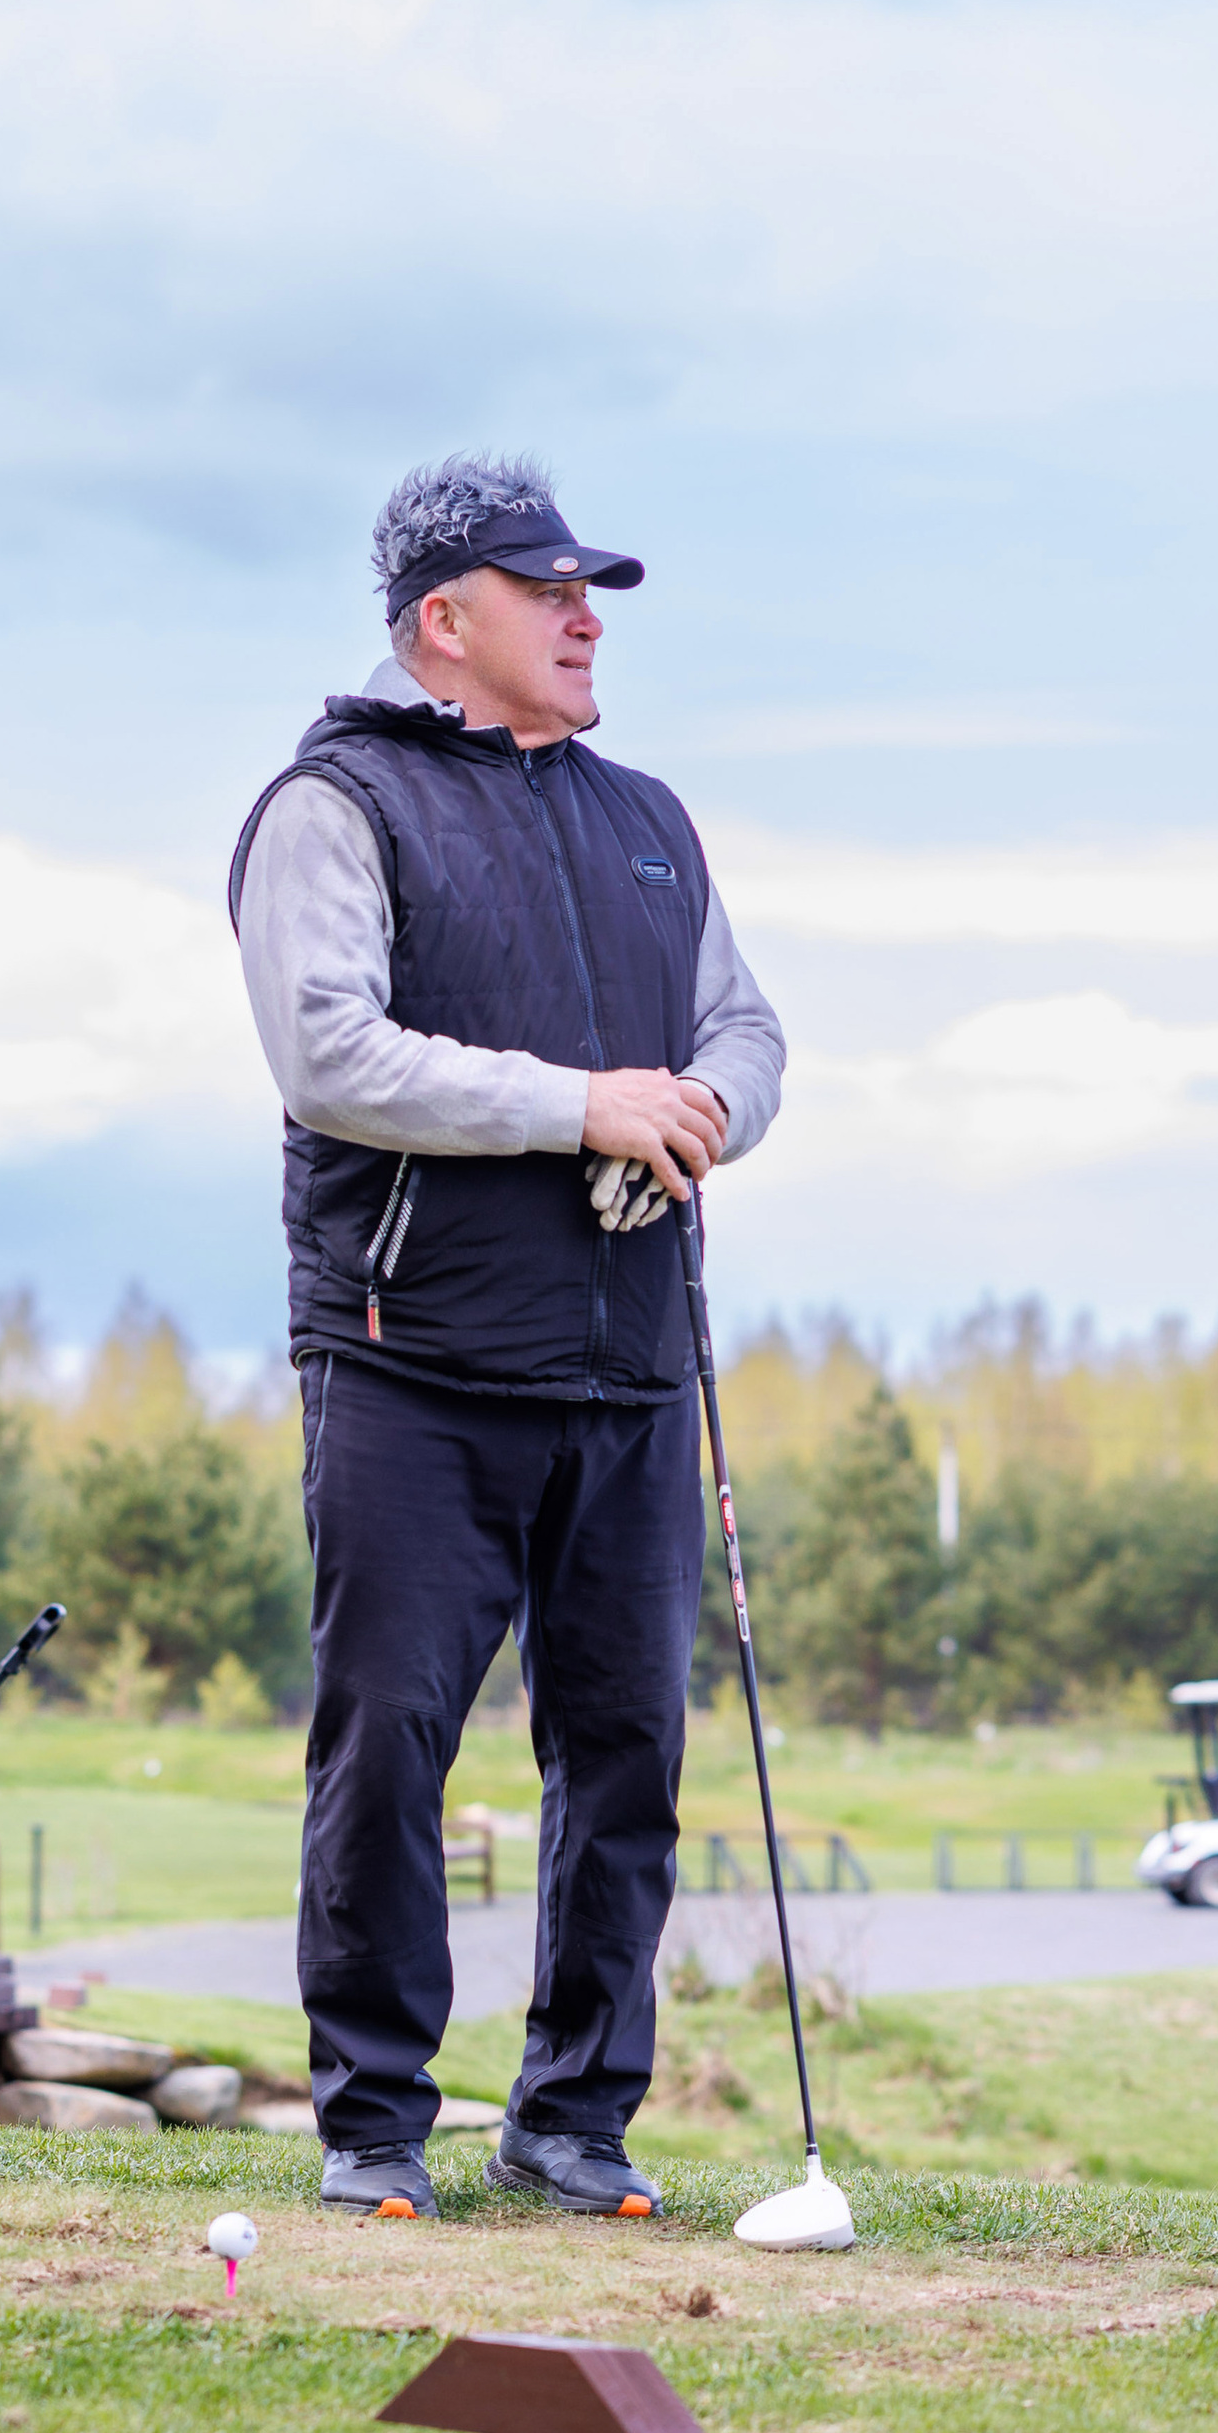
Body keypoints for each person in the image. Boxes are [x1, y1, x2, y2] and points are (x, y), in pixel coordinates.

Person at [229, 450, 785, 2219]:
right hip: (413, 1360)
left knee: (627, 1759)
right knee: (389, 1740)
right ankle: (376, 2127)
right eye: (544, 590)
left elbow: (749, 1034)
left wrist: (699, 1105)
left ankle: (572, 2124)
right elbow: (331, 1054)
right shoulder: (336, 807)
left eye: (592, 590)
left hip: (627, 1363)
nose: (582, 614)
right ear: (440, 622)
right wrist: (584, 1106)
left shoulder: (650, 819)